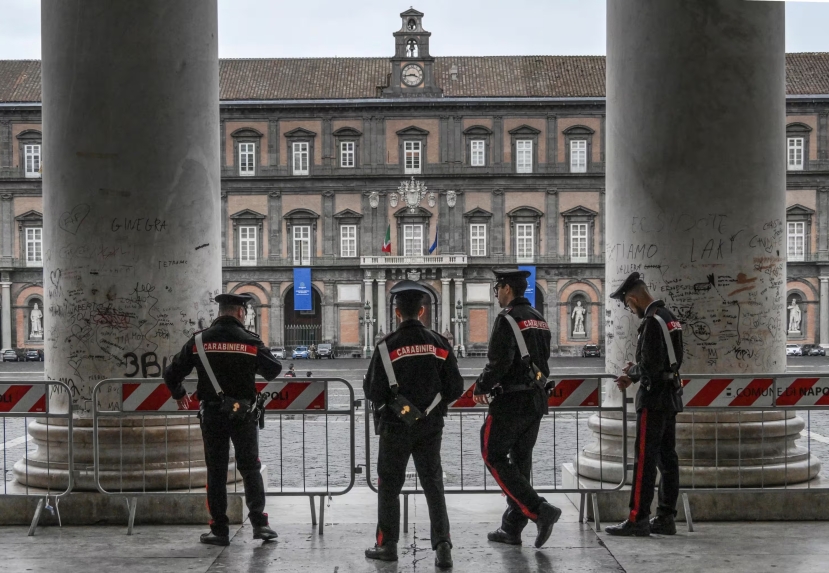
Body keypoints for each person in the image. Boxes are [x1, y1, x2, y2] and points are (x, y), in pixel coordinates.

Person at [163, 292, 282, 546]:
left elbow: (171, 372)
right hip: (244, 414)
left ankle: (219, 530)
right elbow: (274, 369)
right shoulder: (250, 342)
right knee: (250, 467)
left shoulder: (199, 341)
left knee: (216, 471)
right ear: (240, 312)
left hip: (213, 414)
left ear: (220, 312)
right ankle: (260, 524)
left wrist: (179, 393)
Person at [363, 281, 464, 569]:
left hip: (395, 426)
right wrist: (436, 406)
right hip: (431, 425)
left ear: (396, 313)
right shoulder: (440, 344)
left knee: (389, 486)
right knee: (433, 483)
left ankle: (388, 545)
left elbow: (373, 391)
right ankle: (443, 546)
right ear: (422, 310)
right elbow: (455, 386)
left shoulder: (386, 346)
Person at [473, 268, 561, 549]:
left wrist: (481, 386)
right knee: (521, 462)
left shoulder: (507, 319)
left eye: (497, 288)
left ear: (507, 288)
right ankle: (512, 527)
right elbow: (543, 360)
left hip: (511, 401)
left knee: (492, 453)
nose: (496, 294)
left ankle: (539, 509)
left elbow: (498, 362)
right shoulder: (539, 319)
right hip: (535, 401)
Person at [605, 272, 684, 537]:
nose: (630, 309)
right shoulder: (669, 318)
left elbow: (650, 366)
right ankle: (665, 517)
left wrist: (633, 373)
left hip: (653, 399)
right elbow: (669, 361)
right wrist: (638, 371)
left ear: (633, 298)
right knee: (668, 459)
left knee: (644, 461)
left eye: (628, 304)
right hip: (670, 397)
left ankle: (638, 518)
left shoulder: (651, 322)